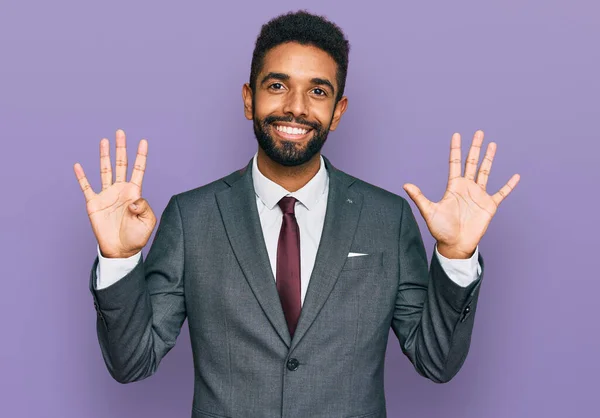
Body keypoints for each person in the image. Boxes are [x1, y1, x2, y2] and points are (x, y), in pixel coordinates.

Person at [73, 10, 519, 418]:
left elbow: (436, 362)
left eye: (318, 91)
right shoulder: (192, 217)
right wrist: (118, 260)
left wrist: (457, 256)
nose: (296, 107)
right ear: (249, 99)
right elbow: (132, 363)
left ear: (338, 112)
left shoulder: (388, 219)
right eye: (277, 85)